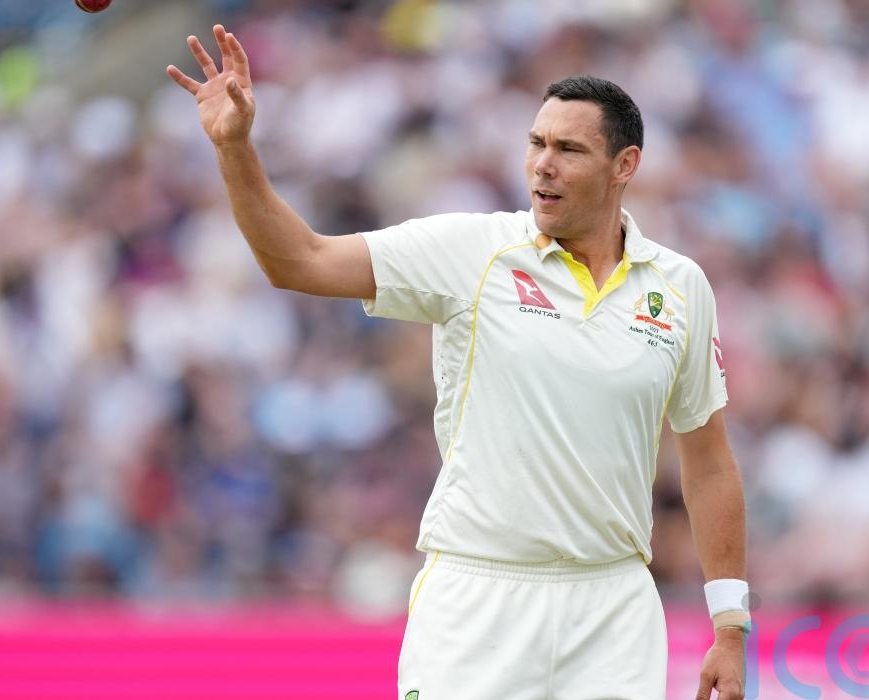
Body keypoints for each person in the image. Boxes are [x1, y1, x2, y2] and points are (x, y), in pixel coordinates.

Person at [168, 24, 749, 700]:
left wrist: (729, 625)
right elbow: (300, 261)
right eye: (536, 143)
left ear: (625, 165)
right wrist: (235, 147)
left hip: (614, 609)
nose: (543, 165)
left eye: (568, 149)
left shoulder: (679, 287)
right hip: (479, 599)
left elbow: (709, 463)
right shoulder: (473, 251)